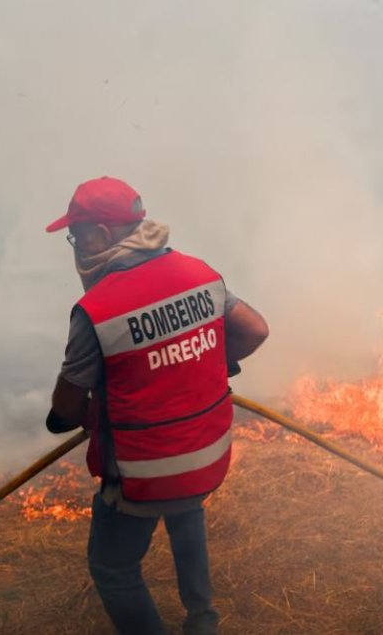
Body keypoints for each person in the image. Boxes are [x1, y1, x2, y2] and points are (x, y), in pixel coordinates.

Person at [45, 176, 269, 635]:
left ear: (102, 236)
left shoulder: (97, 311)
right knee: (186, 509)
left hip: (144, 474)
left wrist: (72, 416)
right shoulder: (198, 275)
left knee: (113, 569)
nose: (74, 245)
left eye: (77, 234)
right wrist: (204, 366)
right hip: (205, 457)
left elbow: (65, 410)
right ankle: (203, 621)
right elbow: (254, 330)